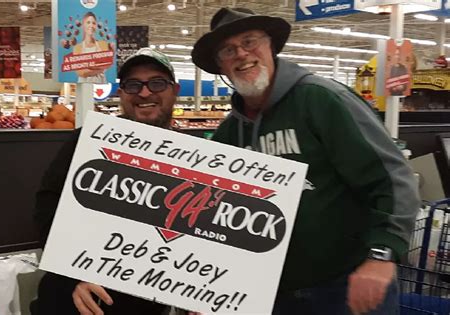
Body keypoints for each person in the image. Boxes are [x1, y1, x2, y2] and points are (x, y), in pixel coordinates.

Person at [191, 7, 420, 315]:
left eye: (250, 41)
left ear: (270, 45)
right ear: (220, 65)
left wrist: (381, 254)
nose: (242, 54)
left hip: (347, 286)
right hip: (273, 293)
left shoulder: (322, 100)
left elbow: (392, 177)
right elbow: (212, 210)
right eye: (228, 50)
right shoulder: (230, 133)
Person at [33, 48, 184, 315]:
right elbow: (48, 208)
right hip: (76, 300)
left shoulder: (191, 157)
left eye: (157, 83)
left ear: (175, 90)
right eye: (133, 85)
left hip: (144, 305)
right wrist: (73, 274)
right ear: (122, 93)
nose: (145, 93)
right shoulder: (89, 139)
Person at [73, 12, 111, 83]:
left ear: (96, 26)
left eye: (93, 23)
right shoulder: (77, 48)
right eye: (88, 22)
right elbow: (81, 73)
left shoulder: (103, 44)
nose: (91, 25)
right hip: (83, 84)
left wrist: (88, 67)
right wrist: (98, 68)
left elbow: (106, 66)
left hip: (101, 83)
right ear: (83, 25)